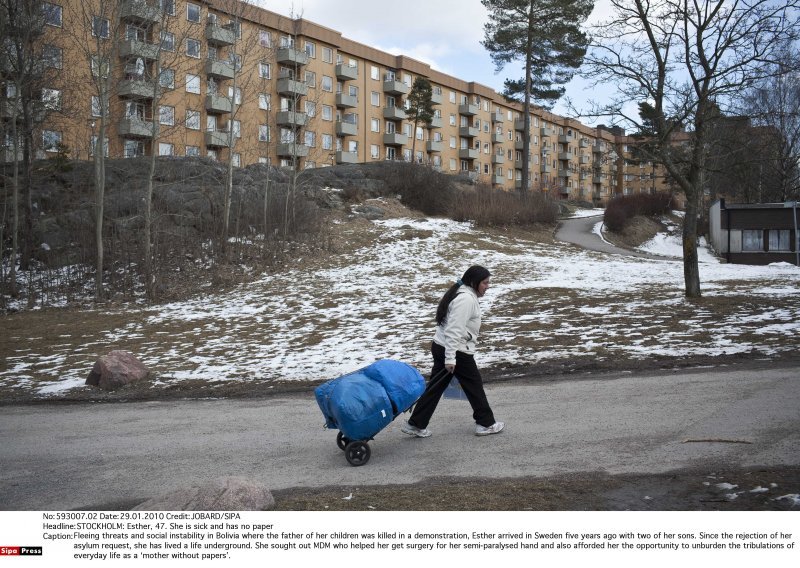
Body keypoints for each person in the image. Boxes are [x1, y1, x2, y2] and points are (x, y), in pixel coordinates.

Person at [401, 265, 505, 438]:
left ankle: (416, 424)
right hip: (456, 350)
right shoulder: (466, 300)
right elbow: (453, 330)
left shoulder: (463, 293)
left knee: (435, 387)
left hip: (443, 346)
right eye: (485, 283)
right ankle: (485, 424)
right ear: (474, 282)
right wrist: (451, 359)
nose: (488, 286)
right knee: (474, 386)